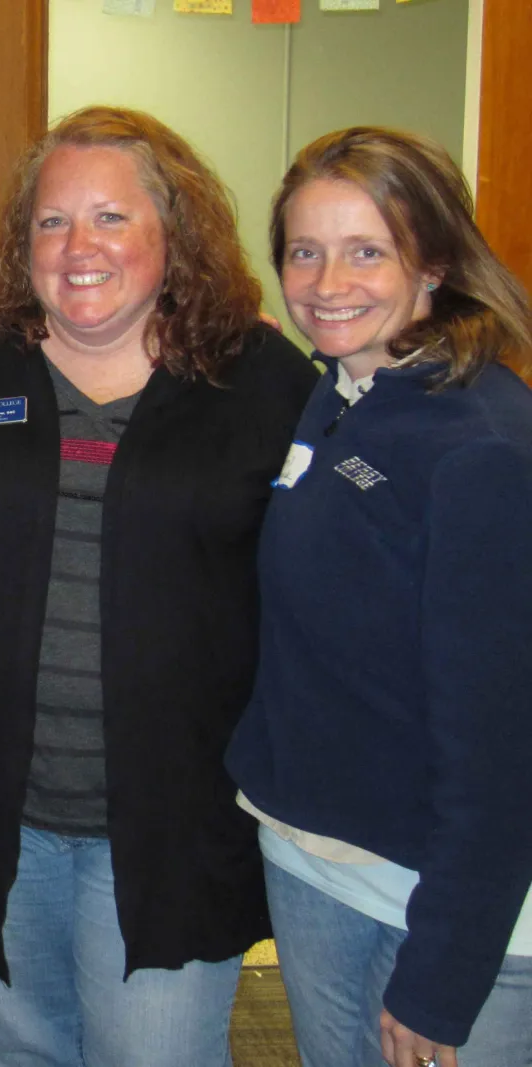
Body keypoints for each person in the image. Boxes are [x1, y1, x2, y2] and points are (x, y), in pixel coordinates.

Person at [0, 106, 318, 1067]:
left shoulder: (256, 379)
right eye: (52, 221)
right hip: (0, 815)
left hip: (176, 825)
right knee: (19, 1051)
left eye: (112, 218)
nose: (78, 247)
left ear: (175, 231)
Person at [226, 128, 532, 1067]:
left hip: (443, 903)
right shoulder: (342, 390)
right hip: (317, 858)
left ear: (433, 260)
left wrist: (445, 970)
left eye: (368, 250)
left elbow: (501, 740)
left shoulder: (478, 440)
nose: (327, 282)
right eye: (304, 251)